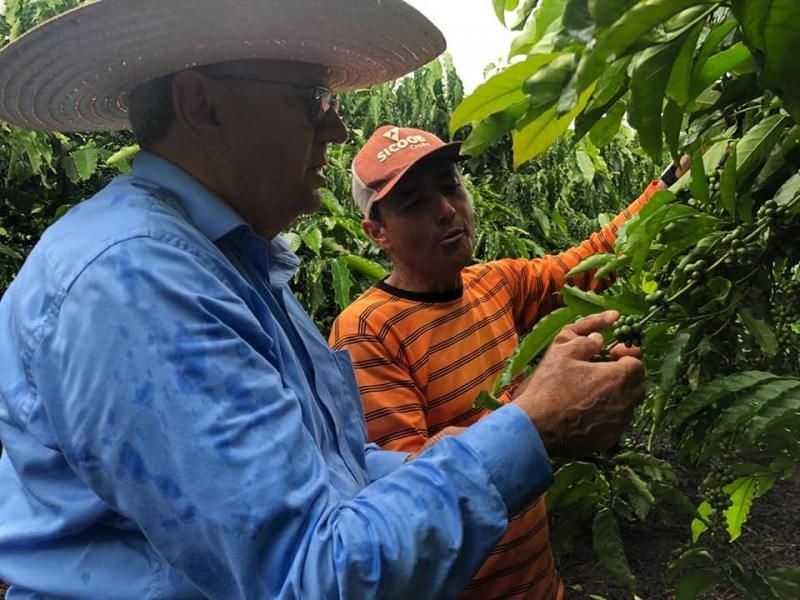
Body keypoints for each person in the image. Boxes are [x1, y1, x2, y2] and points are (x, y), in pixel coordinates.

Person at [0, 1, 645, 598]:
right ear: (202, 106)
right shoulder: (136, 284)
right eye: (311, 99)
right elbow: (313, 571)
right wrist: (531, 428)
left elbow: (336, 476)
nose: (336, 128)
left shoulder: (228, 265)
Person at [331, 125, 691, 599]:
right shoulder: (369, 331)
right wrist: (540, 411)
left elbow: (590, 261)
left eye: (450, 185)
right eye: (414, 202)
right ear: (377, 232)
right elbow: (414, 498)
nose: (445, 210)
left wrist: (671, 184)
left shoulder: (494, 284)